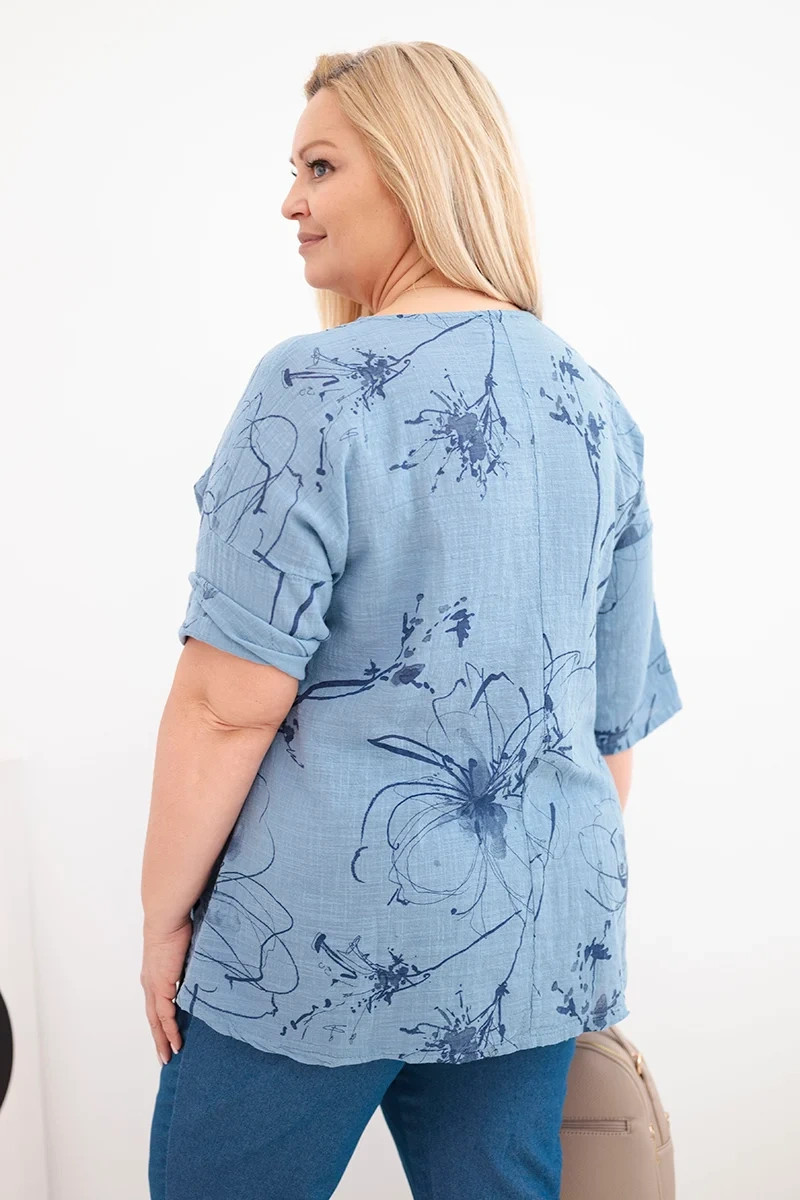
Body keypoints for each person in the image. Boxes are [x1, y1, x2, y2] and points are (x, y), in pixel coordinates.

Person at [142, 40, 683, 1200]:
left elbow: (227, 704)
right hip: (534, 938)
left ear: (414, 169)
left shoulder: (314, 386)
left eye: (320, 166)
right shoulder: (592, 404)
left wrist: (160, 917)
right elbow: (609, 730)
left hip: (313, 935)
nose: (290, 203)